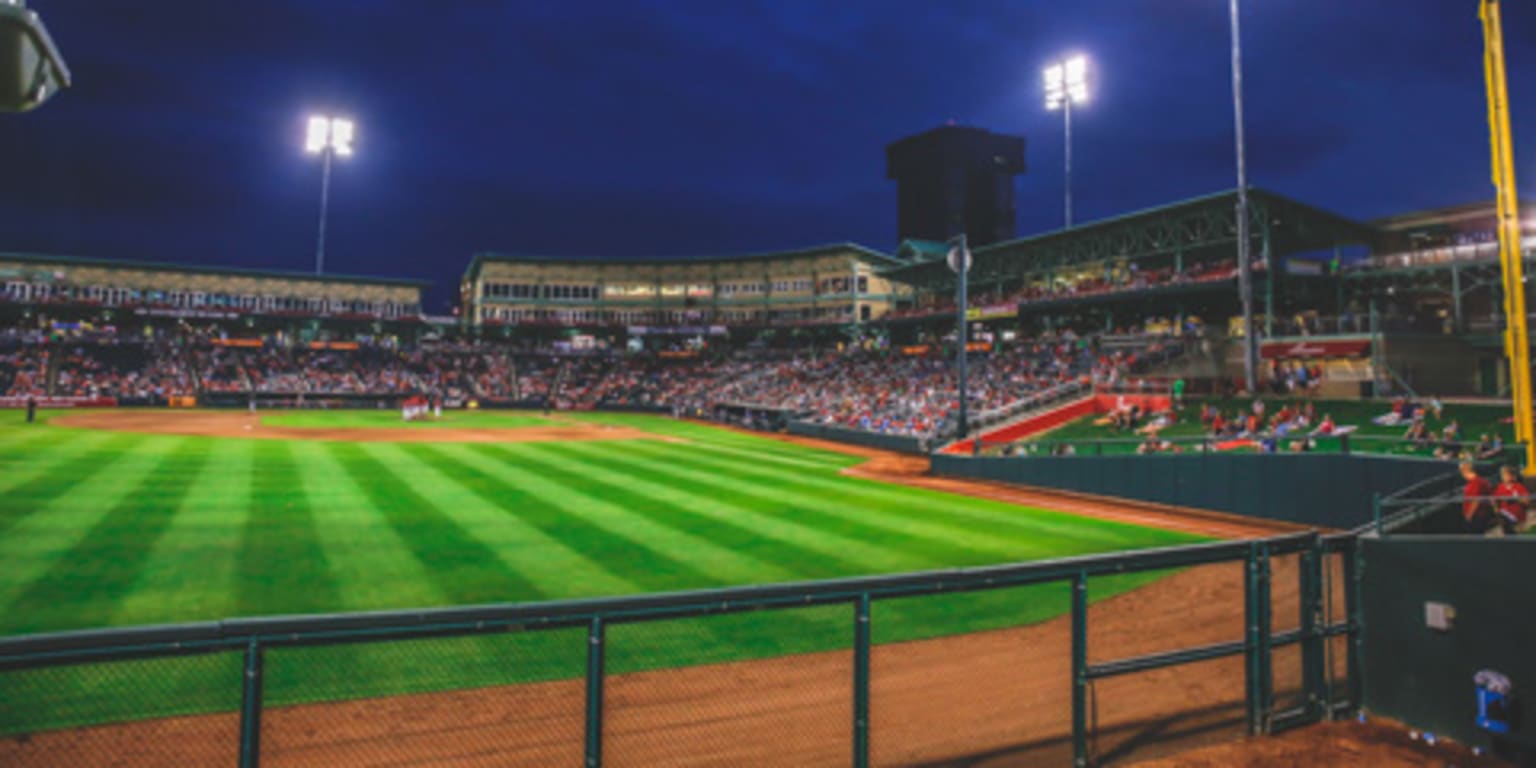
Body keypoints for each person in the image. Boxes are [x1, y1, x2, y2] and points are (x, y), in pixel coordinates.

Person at [1461, 462, 1497, 533]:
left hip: (1476, 516)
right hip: (1480, 515)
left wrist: (1469, 516)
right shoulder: (1481, 481)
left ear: (1465, 471)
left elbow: (1476, 500)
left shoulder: (1476, 483)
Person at [1493, 465, 1530, 535]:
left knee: (1517, 536)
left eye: (1506, 475)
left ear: (1513, 476)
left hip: (1518, 517)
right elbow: (1494, 499)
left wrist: (1516, 500)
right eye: (1503, 475)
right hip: (1504, 517)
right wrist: (1496, 509)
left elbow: (1527, 502)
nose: (1504, 477)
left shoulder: (1519, 487)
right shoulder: (1500, 487)